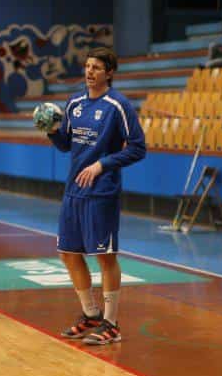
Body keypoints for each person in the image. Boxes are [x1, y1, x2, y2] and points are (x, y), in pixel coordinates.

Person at [40, 48, 146, 345]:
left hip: (102, 192)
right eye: (87, 66)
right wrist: (51, 130)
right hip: (74, 190)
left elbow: (137, 148)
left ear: (109, 73)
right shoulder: (74, 103)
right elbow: (66, 144)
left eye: (96, 67)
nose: (89, 72)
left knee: (104, 256)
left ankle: (112, 324)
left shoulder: (118, 105)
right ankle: (91, 314)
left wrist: (102, 164)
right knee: (68, 253)